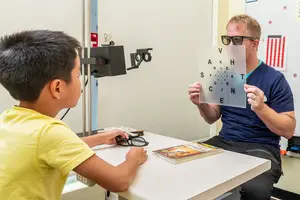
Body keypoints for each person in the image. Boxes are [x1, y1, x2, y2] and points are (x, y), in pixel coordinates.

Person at [0, 30, 147, 200]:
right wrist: (134, 158)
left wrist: (100, 138)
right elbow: (118, 181)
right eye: (78, 74)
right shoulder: (51, 131)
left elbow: (50, 148)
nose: (80, 79)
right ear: (57, 88)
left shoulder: (9, 118)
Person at [188, 14, 295, 200]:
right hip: (225, 141)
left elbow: (288, 130)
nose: (229, 46)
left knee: (254, 190)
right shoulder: (223, 73)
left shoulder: (274, 79)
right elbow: (212, 117)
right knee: (187, 167)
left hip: (260, 147)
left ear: (255, 44)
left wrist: (262, 108)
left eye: (237, 40)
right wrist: (202, 104)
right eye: (227, 39)